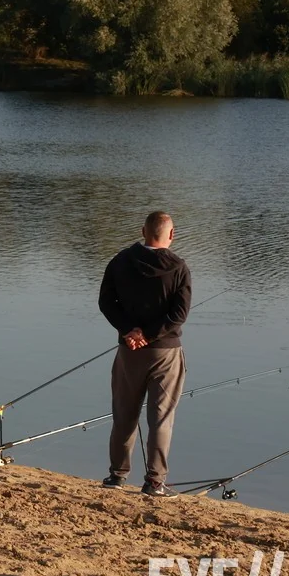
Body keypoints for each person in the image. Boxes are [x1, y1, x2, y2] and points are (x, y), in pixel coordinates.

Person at [98, 211, 191, 499]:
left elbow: (105, 302)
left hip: (129, 352)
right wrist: (149, 335)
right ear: (171, 235)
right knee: (161, 418)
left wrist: (130, 331)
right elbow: (179, 314)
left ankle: (117, 476)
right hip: (165, 353)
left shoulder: (121, 260)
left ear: (142, 231)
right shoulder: (179, 267)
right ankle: (154, 482)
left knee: (124, 413)